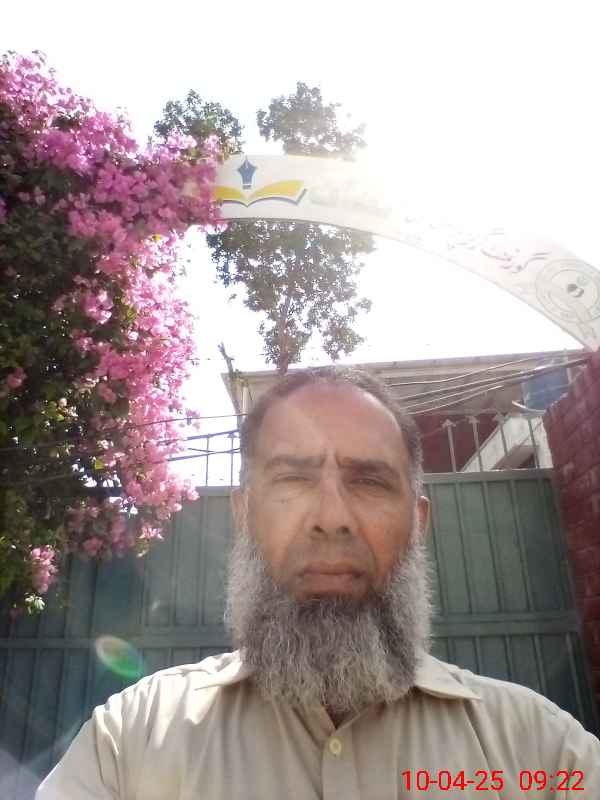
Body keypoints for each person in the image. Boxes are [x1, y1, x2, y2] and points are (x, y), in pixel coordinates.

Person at [37, 366, 600, 799]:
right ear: (244, 514)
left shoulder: (542, 753)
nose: (331, 517)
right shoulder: (131, 742)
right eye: (293, 479)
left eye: (370, 482)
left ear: (418, 521)